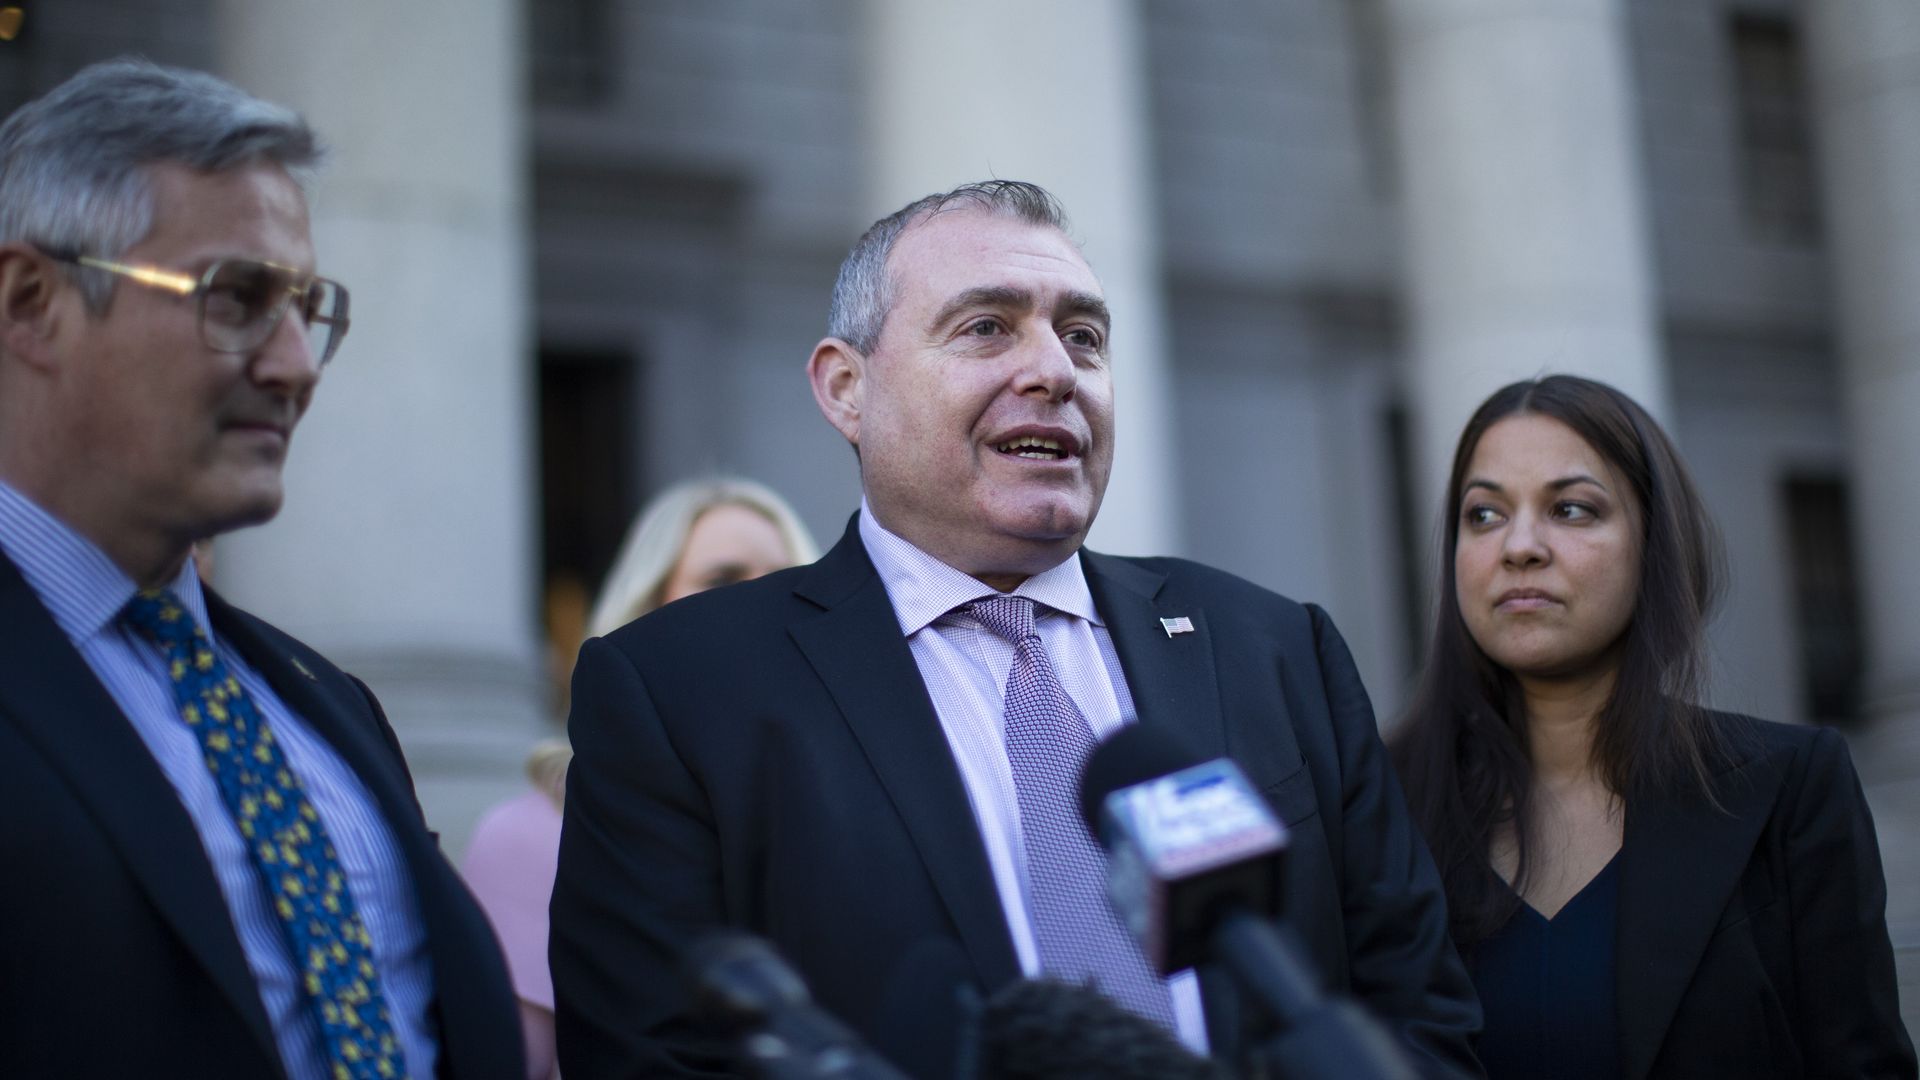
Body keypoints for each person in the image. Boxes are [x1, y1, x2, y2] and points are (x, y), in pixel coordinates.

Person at [551, 180, 1482, 1078]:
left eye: (1083, 336)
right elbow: (650, 1052)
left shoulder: (1276, 651)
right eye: (987, 326)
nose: (1053, 370)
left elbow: (1415, 1012)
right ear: (846, 389)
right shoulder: (680, 689)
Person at [0, 59, 523, 1078]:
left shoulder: (330, 704)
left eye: (305, 308)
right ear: (30, 303)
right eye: (235, 298)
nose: (292, 367)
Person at [1390, 374, 1917, 1079]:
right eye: (1483, 515)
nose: (1519, 547)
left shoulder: (1788, 788)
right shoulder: (1380, 805)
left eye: (1571, 509)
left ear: (1654, 544)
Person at [461, 477, 819, 1080]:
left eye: (784, 582)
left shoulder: (846, 809)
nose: (759, 604)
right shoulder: (528, 835)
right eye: (723, 579)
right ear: (647, 610)